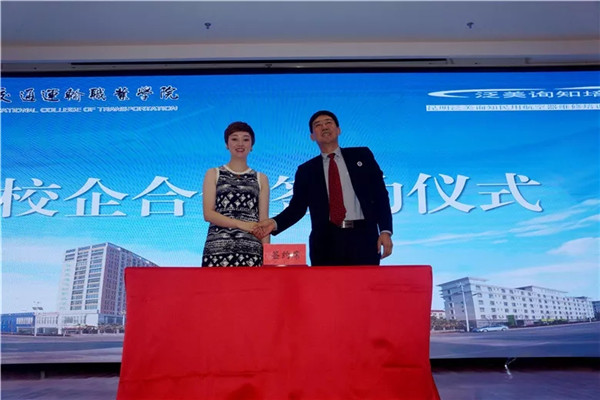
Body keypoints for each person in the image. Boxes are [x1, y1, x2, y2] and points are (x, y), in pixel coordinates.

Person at [254, 110, 393, 266]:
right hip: (326, 242)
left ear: (338, 130)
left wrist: (385, 231)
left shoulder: (362, 156)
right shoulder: (306, 170)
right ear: (312, 136)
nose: (324, 127)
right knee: (326, 283)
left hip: (363, 238)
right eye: (318, 125)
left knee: (365, 282)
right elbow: (297, 208)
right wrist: (274, 223)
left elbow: (380, 195)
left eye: (328, 123)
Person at [202, 121, 269, 266]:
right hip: (218, 250)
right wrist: (242, 224)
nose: (240, 144)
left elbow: (263, 221)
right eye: (234, 139)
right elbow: (208, 214)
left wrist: (268, 257)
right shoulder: (213, 173)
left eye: (245, 139)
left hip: (251, 251)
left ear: (251, 145)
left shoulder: (261, 178)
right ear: (227, 144)